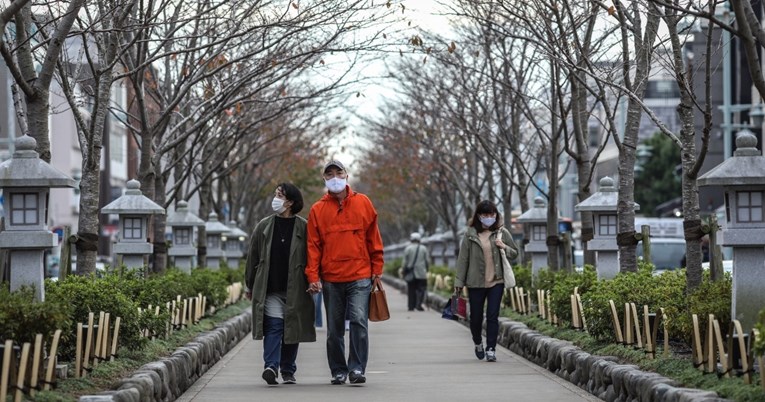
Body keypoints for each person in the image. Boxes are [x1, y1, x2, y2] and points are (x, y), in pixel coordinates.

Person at [305, 160, 384, 385]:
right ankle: (338, 369)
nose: (335, 177)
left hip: (360, 275)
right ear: (324, 179)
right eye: (329, 174)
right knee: (334, 329)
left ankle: (357, 369)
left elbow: (374, 239)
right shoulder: (317, 210)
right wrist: (313, 276)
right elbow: (313, 246)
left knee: (359, 321)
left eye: (338, 172)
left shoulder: (364, 203)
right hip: (331, 278)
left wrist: (376, 269)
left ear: (347, 175)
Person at [245, 183, 316, 385]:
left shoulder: (304, 226)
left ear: (290, 202)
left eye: (279, 195)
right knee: (275, 327)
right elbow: (253, 257)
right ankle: (271, 366)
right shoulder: (264, 226)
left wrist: (314, 280)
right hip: (271, 289)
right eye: (275, 194)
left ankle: (288, 370)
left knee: (292, 330)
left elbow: (313, 256)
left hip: (297, 290)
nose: (275, 199)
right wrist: (250, 285)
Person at [454, 200, 518, 363]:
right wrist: (459, 282)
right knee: (475, 317)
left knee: (492, 316)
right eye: (485, 214)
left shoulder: (501, 233)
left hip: (496, 282)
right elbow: (463, 259)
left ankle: (491, 348)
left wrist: (503, 246)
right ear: (479, 216)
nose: (489, 217)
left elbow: (515, 253)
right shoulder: (470, 234)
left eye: (492, 214)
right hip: (475, 282)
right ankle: (478, 343)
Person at [402, 232, 431, 311]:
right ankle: (419, 305)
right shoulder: (423, 248)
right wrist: (427, 269)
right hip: (421, 273)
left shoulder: (408, 248)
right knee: (421, 289)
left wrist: (404, 271)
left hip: (410, 273)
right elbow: (427, 261)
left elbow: (404, 262)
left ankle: (411, 306)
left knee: (411, 290)